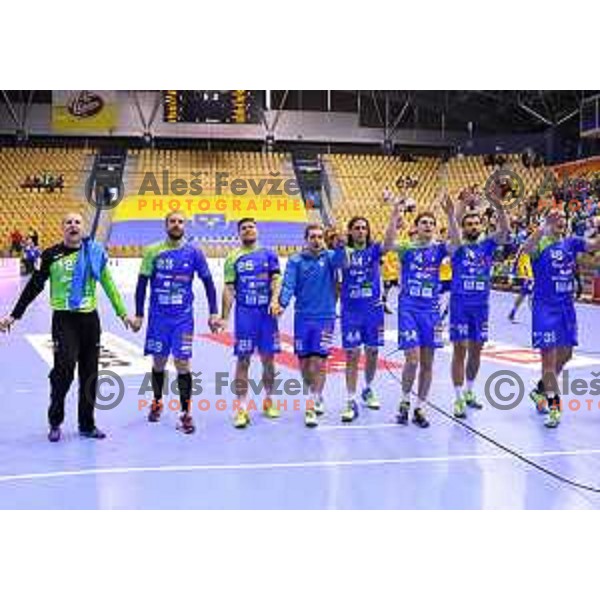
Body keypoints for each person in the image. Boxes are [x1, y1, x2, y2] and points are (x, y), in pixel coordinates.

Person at [0, 213, 133, 442]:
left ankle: (87, 424)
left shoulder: (94, 253)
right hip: (64, 320)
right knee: (64, 370)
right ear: (62, 228)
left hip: (90, 321)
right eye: (68, 222)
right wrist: (15, 315)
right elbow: (34, 286)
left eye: (77, 222)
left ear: (83, 228)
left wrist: (123, 314)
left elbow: (108, 284)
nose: (73, 225)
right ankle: (55, 421)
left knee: (90, 375)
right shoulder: (51, 255)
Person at [131, 211, 220, 434]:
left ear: (185, 226)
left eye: (180, 222)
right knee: (159, 362)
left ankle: (185, 413)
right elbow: (141, 284)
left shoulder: (194, 252)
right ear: (166, 225)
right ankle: (157, 401)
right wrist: (139, 314)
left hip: (183, 318)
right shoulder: (153, 251)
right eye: (173, 221)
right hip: (158, 317)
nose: (176, 225)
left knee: (182, 363)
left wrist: (214, 313)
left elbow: (209, 283)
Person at [523, 209, 600, 427]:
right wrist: (542, 227)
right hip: (545, 309)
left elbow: (594, 246)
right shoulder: (540, 243)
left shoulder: (571, 242)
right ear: (547, 222)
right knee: (548, 361)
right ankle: (554, 408)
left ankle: (540, 391)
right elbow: (526, 249)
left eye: (563, 219)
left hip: (566, 308)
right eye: (555, 219)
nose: (560, 222)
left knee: (565, 356)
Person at [444, 192, 510, 418]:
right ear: (463, 228)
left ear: (481, 226)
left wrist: (500, 209)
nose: (472, 226)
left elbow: (504, 232)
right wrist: (454, 214)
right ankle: (458, 397)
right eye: (468, 224)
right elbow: (452, 231)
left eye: (475, 223)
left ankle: (470, 391)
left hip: (481, 307)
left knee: (476, 350)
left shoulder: (488, 245)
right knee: (459, 350)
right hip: (460, 306)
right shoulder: (457, 246)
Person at [383, 200, 448, 428]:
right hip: (409, 309)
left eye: (431, 223)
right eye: (424, 223)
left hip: (431, 311)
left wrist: (452, 215)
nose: (428, 226)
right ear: (417, 227)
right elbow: (387, 243)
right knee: (412, 359)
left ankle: (421, 407)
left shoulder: (439, 249)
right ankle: (404, 402)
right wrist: (394, 215)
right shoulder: (407, 248)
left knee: (428, 363)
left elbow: (458, 245)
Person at [220, 218, 282, 429]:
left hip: (266, 316)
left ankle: (269, 401)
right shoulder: (232, 258)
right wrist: (224, 317)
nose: (248, 230)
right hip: (245, 315)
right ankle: (242, 409)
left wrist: (274, 300)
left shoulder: (269, 254)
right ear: (239, 233)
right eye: (244, 228)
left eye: (251, 227)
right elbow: (229, 289)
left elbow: (276, 280)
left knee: (268, 360)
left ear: (257, 230)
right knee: (243, 361)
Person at [279, 224, 343, 427]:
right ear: (305, 239)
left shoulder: (330, 257)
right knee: (305, 363)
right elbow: (288, 284)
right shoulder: (295, 261)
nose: (316, 240)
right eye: (312, 237)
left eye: (319, 237)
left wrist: (341, 246)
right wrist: (281, 303)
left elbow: (343, 262)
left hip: (325, 317)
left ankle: (312, 402)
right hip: (302, 318)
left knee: (319, 361)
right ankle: (313, 393)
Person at [338, 216, 385, 422]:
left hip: (373, 311)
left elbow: (390, 242)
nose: (360, 231)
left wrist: (394, 215)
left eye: (364, 228)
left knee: (372, 352)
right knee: (352, 354)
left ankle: (368, 388)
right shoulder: (344, 253)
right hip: (351, 311)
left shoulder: (374, 250)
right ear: (350, 231)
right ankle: (350, 400)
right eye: (356, 228)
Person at [508, 247, 533, 322]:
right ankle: (513, 311)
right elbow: (515, 261)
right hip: (529, 275)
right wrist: (511, 275)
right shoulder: (524, 247)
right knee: (523, 293)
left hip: (539, 272)